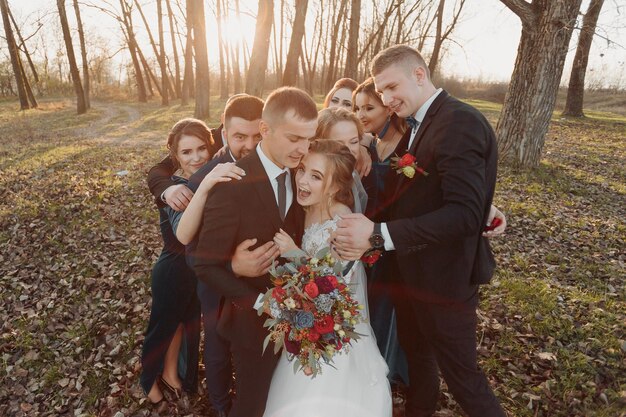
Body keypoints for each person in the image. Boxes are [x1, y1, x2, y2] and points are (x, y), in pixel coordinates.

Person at [332, 45, 507, 417]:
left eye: (392, 87)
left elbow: (463, 213)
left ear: (419, 74)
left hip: (444, 281)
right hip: (411, 273)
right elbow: (430, 191)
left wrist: (380, 235)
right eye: (381, 92)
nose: (387, 99)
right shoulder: (419, 123)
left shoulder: (459, 121)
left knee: (464, 379)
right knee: (418, 360)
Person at [191, 87, 318, 417]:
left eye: (308, 139)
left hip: (300, 316)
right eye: (294, 139)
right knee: (252, 406)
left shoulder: (301, 173)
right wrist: (260, 301)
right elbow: (204, 264)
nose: (302, 149)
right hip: (252, 323)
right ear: (265, 129)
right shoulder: (232, 185)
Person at [146, 95, 271, 416]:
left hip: (250, 277)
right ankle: (215, 405)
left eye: (257, 135)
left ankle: (198, 385)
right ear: (226, 134)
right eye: (240, 136)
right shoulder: (198, 180)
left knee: (205, 334)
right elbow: (187, 241)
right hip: (201, 275)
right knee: (211, 347)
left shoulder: (267, 159)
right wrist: (165, 186)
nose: (250, 144)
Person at [263, 139, 392, 417]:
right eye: (302, 170)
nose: (303, 181)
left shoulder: (343, 222)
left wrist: (294, 252)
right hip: (308, 318)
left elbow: (333, 282)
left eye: (316, 176)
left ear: (335, 187)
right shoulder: (306, 208)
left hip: (335, 329)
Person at [140, 118, 242, 407]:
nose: (196, 157)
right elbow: (184, 233)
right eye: (186, 152)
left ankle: (173, 374)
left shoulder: (212, 171)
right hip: (173, 271)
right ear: (176, 156)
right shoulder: (176, 188)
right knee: (163, 328)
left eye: (201, 149)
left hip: (195, 272)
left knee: (182, 327)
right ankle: (148, 382)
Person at [147, 93, 250, 212]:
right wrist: (169, 190)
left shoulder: (256, 141)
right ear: (224, 118)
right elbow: (158, 169)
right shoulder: (204, 139)